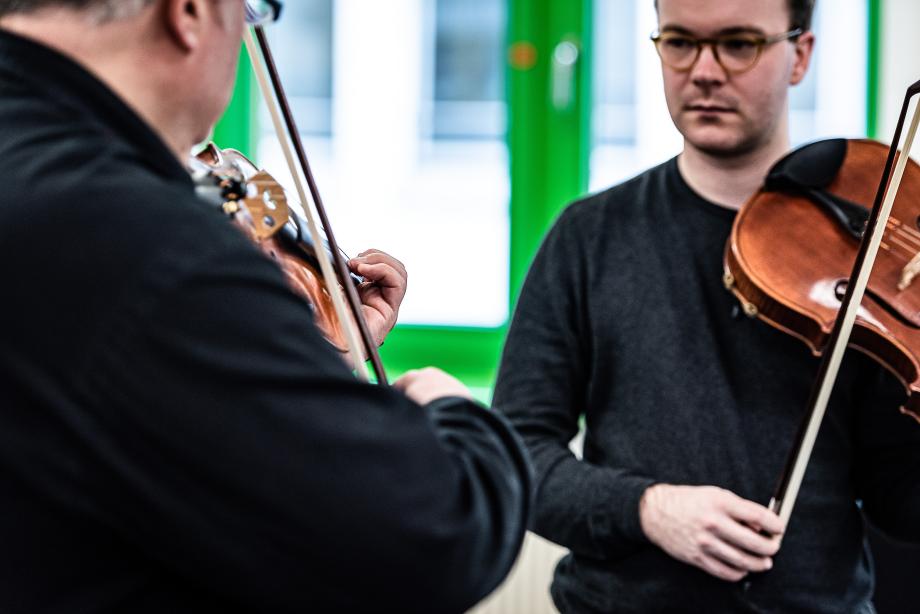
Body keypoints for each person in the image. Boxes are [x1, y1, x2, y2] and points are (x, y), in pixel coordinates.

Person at [0, 1, 531, 612]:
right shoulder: (144, 239)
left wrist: (321, 355)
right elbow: (433, 535)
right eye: (254, 10)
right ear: (191, 12)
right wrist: (453, 409)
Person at [494, 0, 920, 612]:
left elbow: (898, 496)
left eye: (739, 43)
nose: (705, 71)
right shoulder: (588, 236)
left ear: (799, 55)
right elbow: (515, 457)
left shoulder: (871, 258)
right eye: (680, 42)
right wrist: (647, 509)